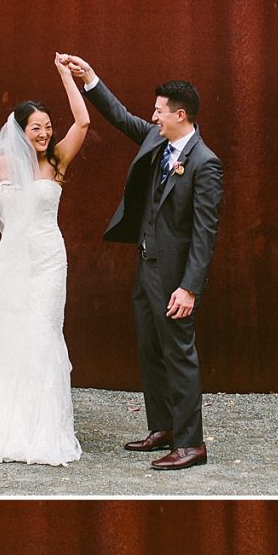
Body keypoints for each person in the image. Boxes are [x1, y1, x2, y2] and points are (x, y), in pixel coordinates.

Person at [61, 58, 223, 470]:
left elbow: (205, 233)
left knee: (178, 354)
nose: (152, 116)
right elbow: (120, 117)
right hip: (147, 267)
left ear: (180, 115)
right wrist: (90, 80)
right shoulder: (157, 140)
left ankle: (191, 444)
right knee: (150, 350)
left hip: (176, 277)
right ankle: (163, 428)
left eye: (159, 110)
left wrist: (189, 287)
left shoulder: (205, 163)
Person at [0, 54, 89, 464]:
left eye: (48, 127)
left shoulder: (57, 161)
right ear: (20, 131)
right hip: (13, 260)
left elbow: (83, 123)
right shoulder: (1, 163)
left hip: (48, 260)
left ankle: (43, 428)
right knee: (11, 338)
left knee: (44, 332)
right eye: (36, 127)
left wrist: (65, 75)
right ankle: (4, 424)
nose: (44, 133)